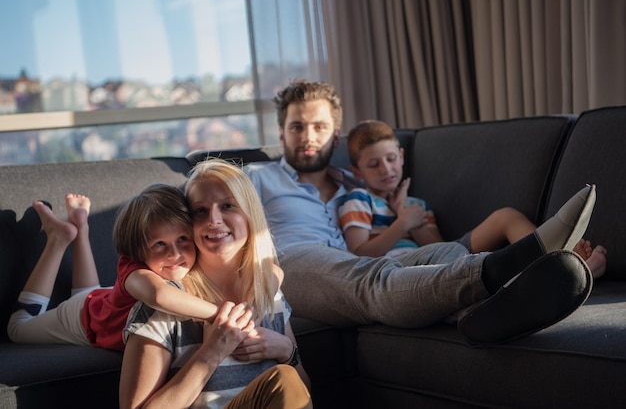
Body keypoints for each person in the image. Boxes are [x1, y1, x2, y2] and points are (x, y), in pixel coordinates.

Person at [243, 78, 596, 346]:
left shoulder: (356, 184)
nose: (308, 136)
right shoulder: (257, 177)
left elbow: (399, 222)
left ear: (335, 135)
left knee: (447, 253)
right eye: (296, 127)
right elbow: (208, 207)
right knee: (373, 282)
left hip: (355, 264)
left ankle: (481, 314)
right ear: (281, 133)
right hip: (291, 266)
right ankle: (514, 262)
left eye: (318, 127)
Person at [120, 158, 312, 409]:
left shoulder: (268, 294)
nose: (214, 220)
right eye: (201, 211)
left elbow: (303, 394)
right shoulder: (166, 305)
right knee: (282, 379)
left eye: (228, 206)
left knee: (286, 380)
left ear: (249, 215)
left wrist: (286, 350)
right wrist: (210, 353)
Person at [338, 119, 607, 278]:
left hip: (445, 256)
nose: (386, 169)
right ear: (357, 171)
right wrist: (401, 224)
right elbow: (358, 254)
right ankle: (563, 274)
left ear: (401, 156)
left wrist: (406, 214)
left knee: (506, 216)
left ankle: (563, 262)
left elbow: (442, 249)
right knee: (485, 268)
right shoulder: (359, 200)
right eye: (374, 164)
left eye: (391, 159)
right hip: (401, 270)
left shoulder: (416, 205)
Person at [8, 185, 218, 351]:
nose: (175, 254)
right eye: (159, 244)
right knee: (17, 328)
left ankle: (80, 227)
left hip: (104, 299)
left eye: (183, 238)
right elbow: (159, 295)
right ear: (137, 249)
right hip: (82, 317)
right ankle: (57, 239)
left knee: (90, 294)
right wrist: (220, 314)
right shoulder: (135, 270)